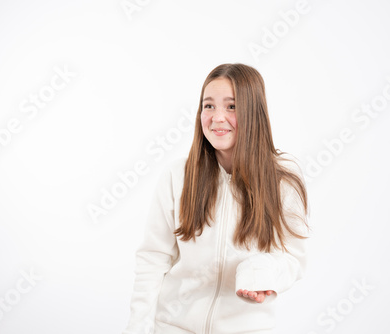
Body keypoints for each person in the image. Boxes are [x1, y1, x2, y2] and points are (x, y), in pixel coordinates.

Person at [123, 63, 310, 334]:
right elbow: (153, 259)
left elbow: (294, 259)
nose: (217, 117)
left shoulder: (283, 179)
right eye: (208, 106)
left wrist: (261, 272)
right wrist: (137, 329)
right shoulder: (178, 176)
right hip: (173, 327)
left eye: (231, 107)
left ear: (253, 112)